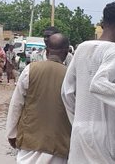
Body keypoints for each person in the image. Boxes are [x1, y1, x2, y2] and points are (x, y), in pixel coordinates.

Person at [61, 2, 115, 163]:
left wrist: (78, 120)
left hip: (80, 130)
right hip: (106, 133)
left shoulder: (82, 48)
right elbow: (98, 84)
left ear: (103, 23)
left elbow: (66, 92)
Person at [6, 33, 71, 164]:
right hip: (59, 146)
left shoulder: (30, 70)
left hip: (29, 143)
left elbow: (16, 104)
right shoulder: (71, 76)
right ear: (66, 53)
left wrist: (11, 134)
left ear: (46, 51)